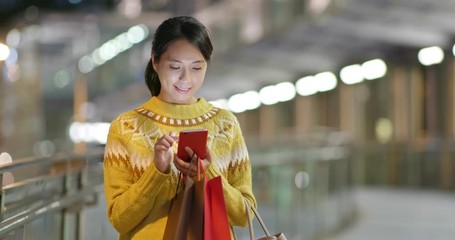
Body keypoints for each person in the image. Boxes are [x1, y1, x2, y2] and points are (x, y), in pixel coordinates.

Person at [103, 16, 257, 240]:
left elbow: (245, 214)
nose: (186, 78)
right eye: (175, 66)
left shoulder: (225, 124)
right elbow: (120, 219)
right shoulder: (127, 127)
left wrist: (207, 174)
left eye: (197, 67)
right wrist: (157, 173)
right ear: (155, 61)